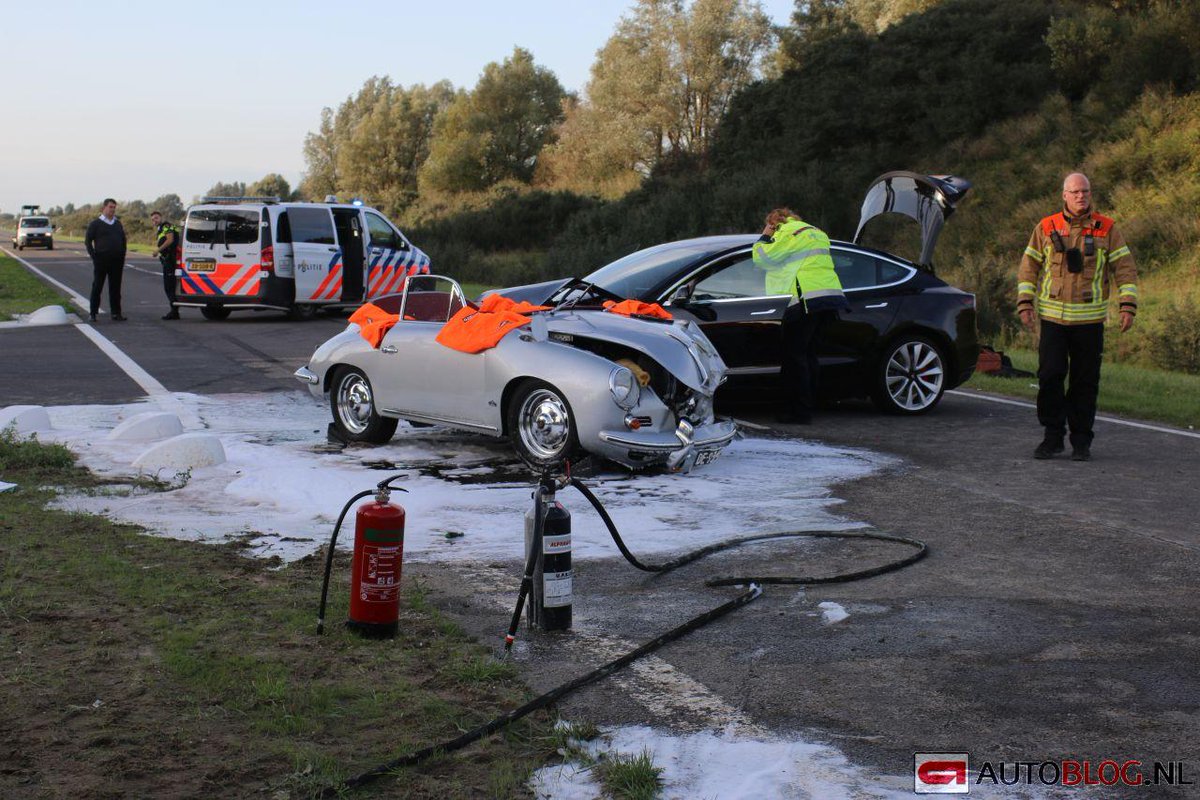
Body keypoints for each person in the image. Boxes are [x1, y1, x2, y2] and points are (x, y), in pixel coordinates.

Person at [1017, 172, 1138, 461]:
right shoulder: (1046, 227)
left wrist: (1127, 305)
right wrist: (1025, 302)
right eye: (1075, 192)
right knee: (1049, 377)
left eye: (1085, 191)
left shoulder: (1107, 228)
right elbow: (1029, 266)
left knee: (1085, 383)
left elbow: (1125, 268)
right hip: (1053, 321)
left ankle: (1081, 441)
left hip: (1089, 322)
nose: (1081, 196)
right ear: (1064, 195)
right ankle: (1052, 437)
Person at [752, 207, 849, 424]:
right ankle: (810, 405)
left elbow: (762, 258)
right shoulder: (817, 232)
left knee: (794, 358)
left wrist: (764, 237)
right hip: (828, 299)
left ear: (774, 223)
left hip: (805, 300)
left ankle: (799, 413)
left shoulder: (788, 233)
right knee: (808, 356)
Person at [84, 198, 128, 322]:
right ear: (104, 208)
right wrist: (94, 257)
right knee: (97, 286)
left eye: (114, 207)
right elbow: (88, 242)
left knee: (115, 288)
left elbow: (123, 241)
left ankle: (116, 313)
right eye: (110, 207)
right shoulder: (95, 224)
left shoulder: (118, 223)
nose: (112, 210)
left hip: (116, 261)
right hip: (101, 260)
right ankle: (93, 313)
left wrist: (122, 255)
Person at [151, 211, 180, 319]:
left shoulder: (166, 226)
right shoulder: (161, 228)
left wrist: (157, 250)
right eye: (153, 219)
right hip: (167, 259)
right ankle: (174, 310)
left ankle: (174, 311)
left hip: (170, 260)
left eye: (156, 218)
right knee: (169, 286)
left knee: (169, 286)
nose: (154, 220)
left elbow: (170, 240)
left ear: (161, 217)